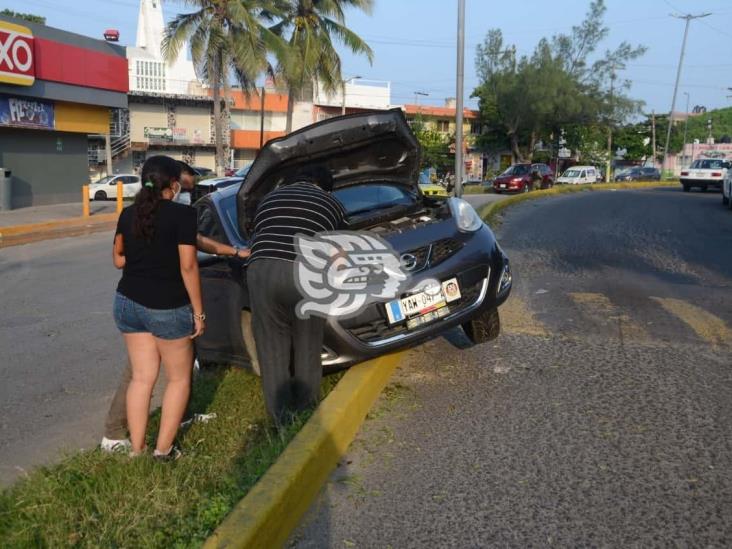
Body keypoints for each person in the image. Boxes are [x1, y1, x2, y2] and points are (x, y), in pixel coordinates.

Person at [101, 158, 248, 453]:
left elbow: (118, 259)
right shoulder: (182, 214)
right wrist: (199, 312)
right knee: (179, 379)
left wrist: (147, 257)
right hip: (166, 306)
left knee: (141, 379)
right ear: (173, 184)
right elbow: (189, 267)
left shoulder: (129, 214)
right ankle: (163, 452)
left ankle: (137, 450)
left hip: (127, 303)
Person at [247, 166, 346, 425]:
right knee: (308, 344)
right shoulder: (331, 203)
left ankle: (280, 422)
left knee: (270, 347)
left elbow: (257, 237)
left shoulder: (269, 199)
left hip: (262, 270)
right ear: (324, 186)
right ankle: (306, 417)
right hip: (305, 274)